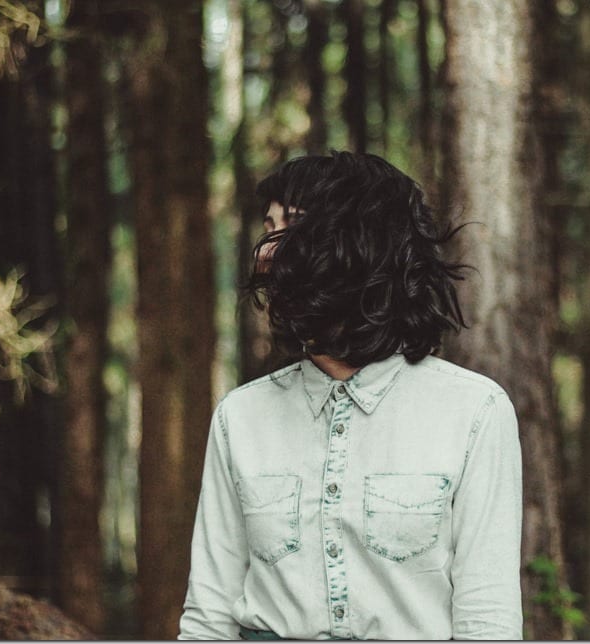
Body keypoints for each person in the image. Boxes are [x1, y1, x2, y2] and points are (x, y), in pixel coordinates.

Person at [178, 151, 522, 640]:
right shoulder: (241, 415)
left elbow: (488, 623)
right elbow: (208, 618)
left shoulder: (473, 411)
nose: (264, 252)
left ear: (363, 243)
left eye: (290, 227)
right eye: (267, 228)